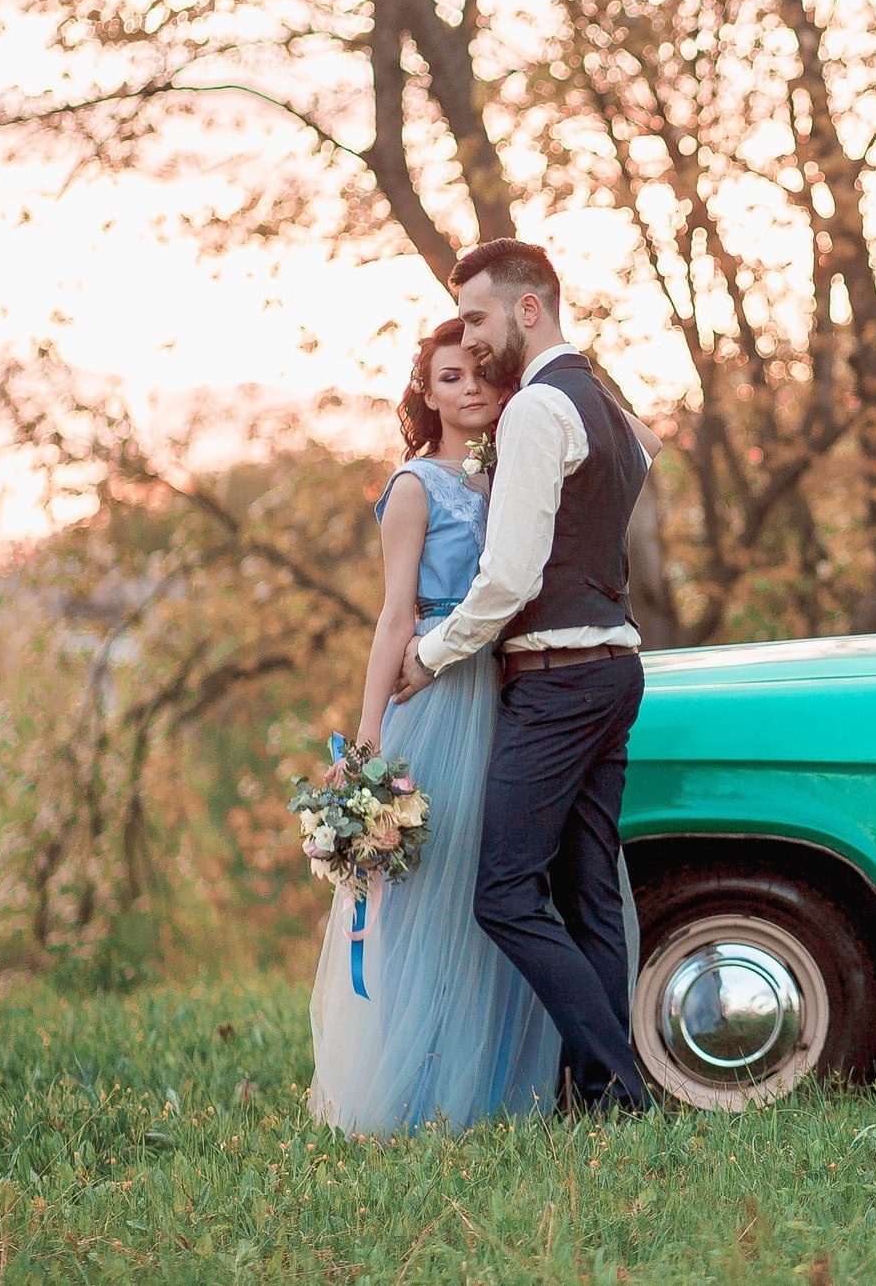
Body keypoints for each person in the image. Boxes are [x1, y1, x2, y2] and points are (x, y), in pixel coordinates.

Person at [393, 239, 658, 1116]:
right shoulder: (599, 401)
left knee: (505, 895)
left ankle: (619, 1083)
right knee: (588, 896)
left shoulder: (540, 408)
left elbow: (508, 578)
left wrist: (430, 655)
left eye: (477, 317)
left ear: (528, 309)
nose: (470, 336)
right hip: (613, 669)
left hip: (558, 681)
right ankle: (605, 1096)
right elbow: (648, 451)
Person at [306, 319, 562, 1135]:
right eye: (452, 377)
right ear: (427, 393)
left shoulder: (512, 469)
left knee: (499, 887)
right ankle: (418, 1092)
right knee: (433, 889)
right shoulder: (414, 486)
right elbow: (394, 616)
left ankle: (497, 1086)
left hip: (512, 688)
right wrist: (368, 736)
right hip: (441, 695)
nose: (472, 388)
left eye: (483, 371)